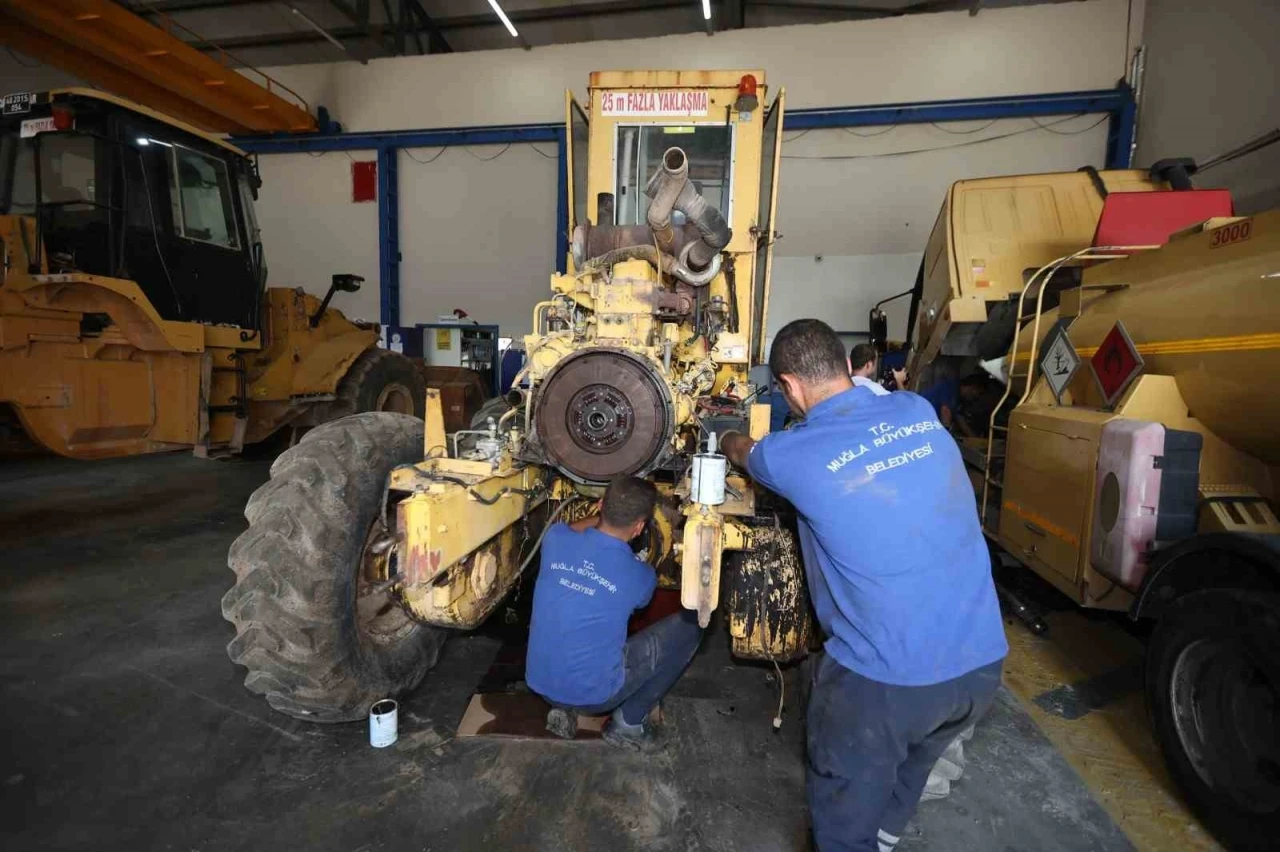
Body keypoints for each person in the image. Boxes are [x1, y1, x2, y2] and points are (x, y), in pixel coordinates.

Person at [721, 319, 1008, 852]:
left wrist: (723, 434)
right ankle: (884, 840)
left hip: (885, 683)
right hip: (980, 663)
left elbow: (745, 452)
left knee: (842, 816)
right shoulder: (915, 410)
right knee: (908, 774)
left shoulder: (790, 455)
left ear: (789, 386)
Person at [525, 476, 703, 750]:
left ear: (600, 505)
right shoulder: (640, 576)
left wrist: (600, 524)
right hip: (596, 698)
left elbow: (572, 529)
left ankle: (563, 709)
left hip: (540, 685)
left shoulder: (555, 539)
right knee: (692, 626)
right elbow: (641, 604)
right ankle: (628, 724)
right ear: (639, 527)